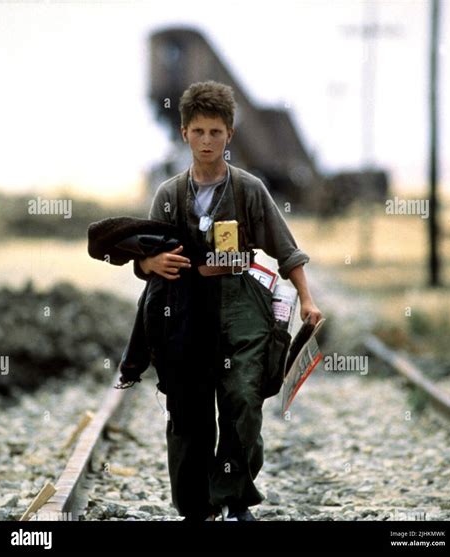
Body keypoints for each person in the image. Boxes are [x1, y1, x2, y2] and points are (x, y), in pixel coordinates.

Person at [136, 80, 322, 521]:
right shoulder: (168, 195)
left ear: (230, 135)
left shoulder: (249, 189)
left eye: (215, 132)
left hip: (242, 306)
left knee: (242, 399)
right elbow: (142, 258)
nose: (206, 141)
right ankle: (197, 507)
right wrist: (152, 264)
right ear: (184, 133)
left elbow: (286, 249)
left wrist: (308, 298)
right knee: (187, 410)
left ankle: (236, 498)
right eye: (198, 131)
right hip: (185, 310)